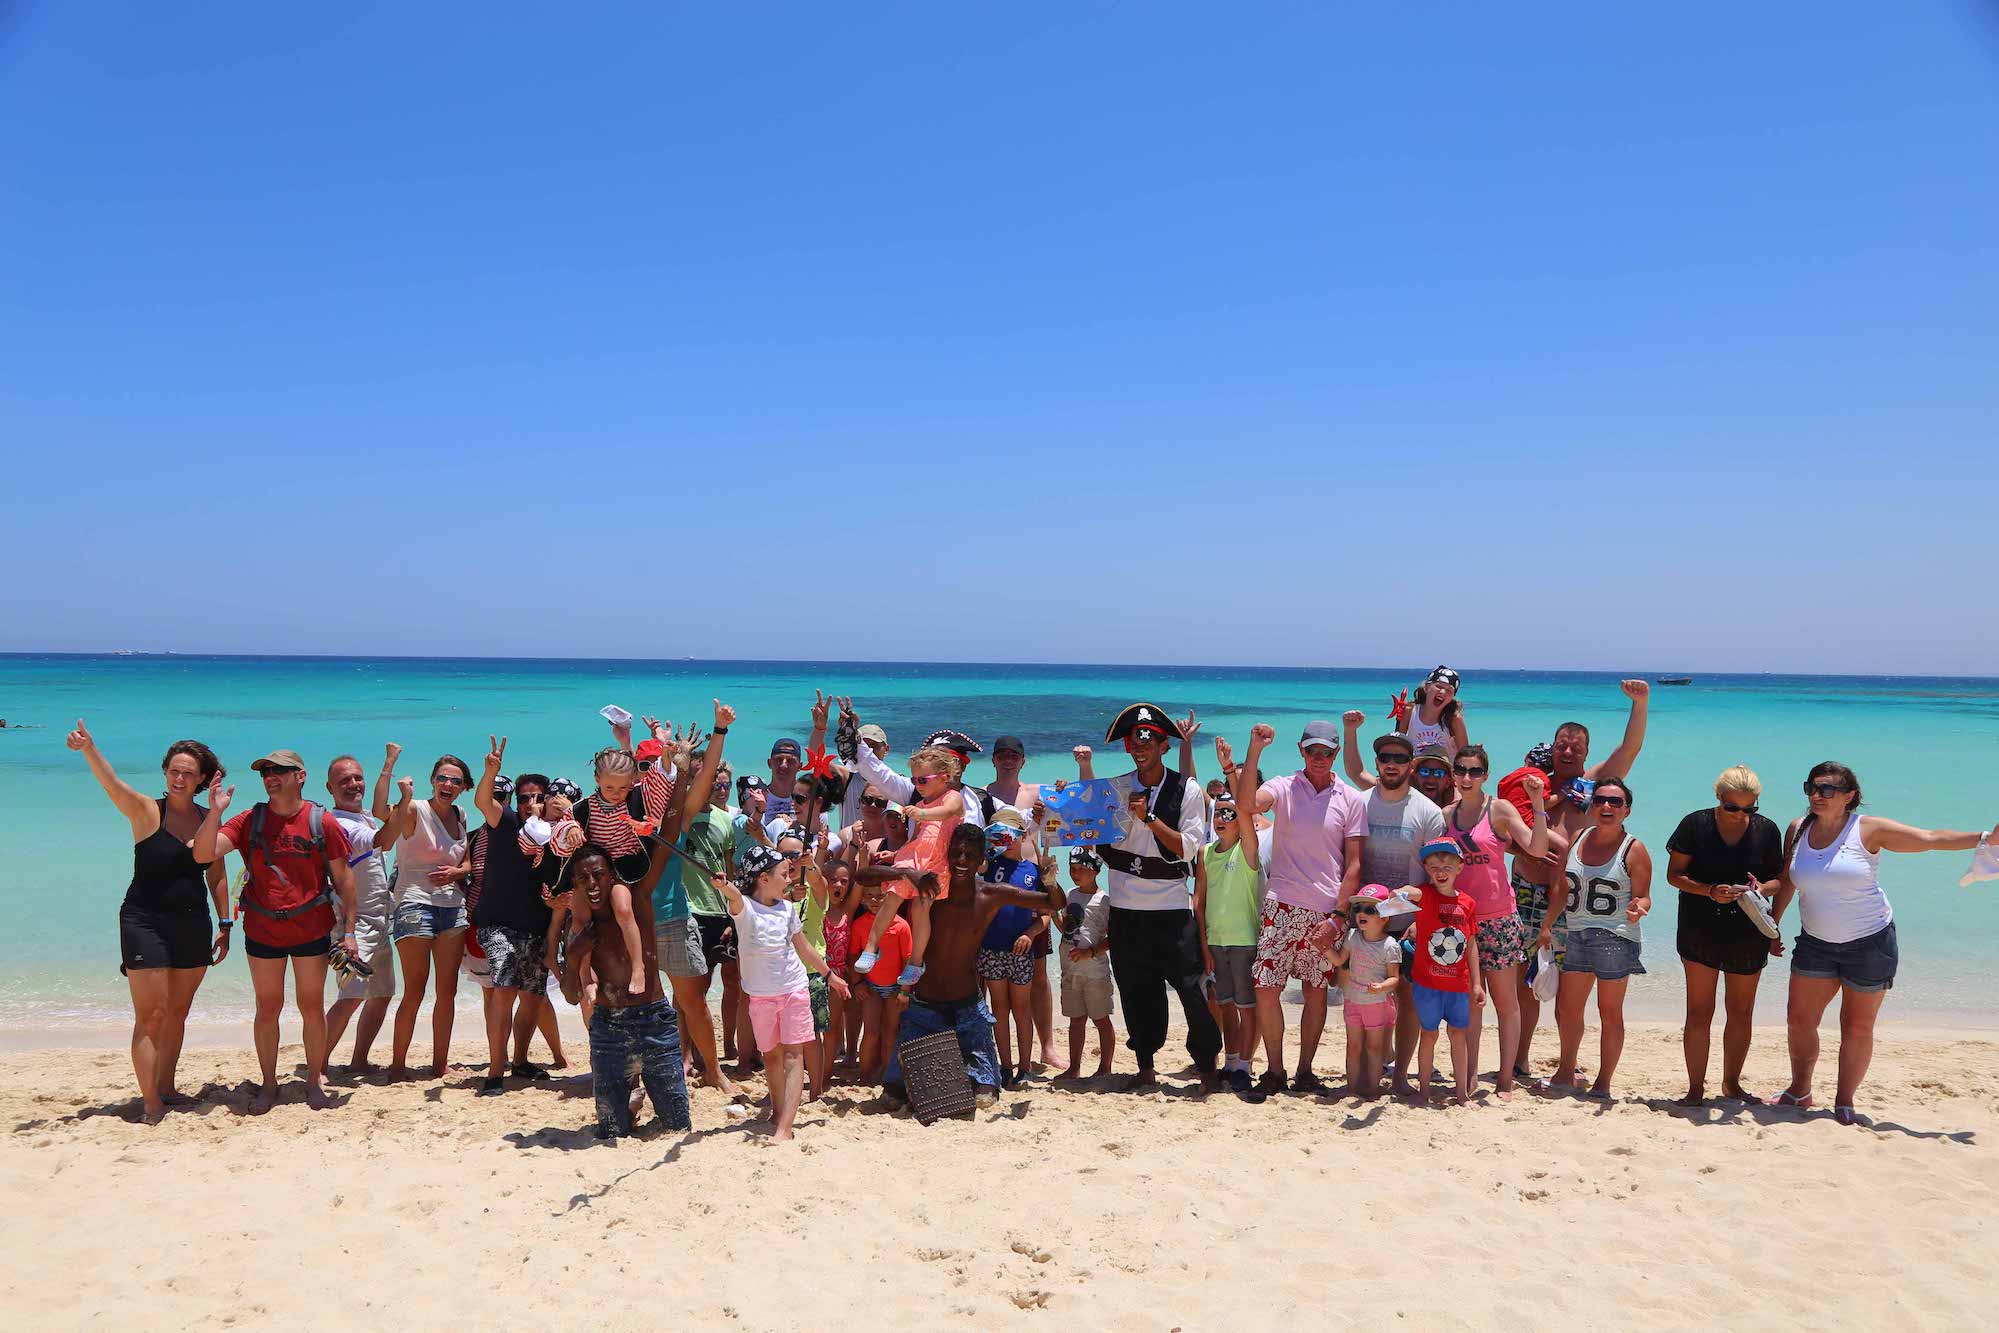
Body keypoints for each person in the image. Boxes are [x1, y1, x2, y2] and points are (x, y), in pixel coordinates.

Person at [1769, 763, 1998, 1125]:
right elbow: (1787, 879)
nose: (1816, 795)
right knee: (1799, 1020)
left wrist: (1985, 837)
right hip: (1815, 943)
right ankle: (1800, 1090)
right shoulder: (1798, 829)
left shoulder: (1868, 830)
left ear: (1849, 796)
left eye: (1826, 790)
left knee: (1856, 1026)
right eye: (1811, 788)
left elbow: (1930, 838)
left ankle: (1844, 1101)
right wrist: (1773, 925)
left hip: (1870, 943)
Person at [67, 723, 230, 1123]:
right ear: (165, 772)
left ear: (202, 779)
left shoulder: (210, 818)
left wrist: (225, 922)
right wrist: (89, 749)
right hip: (144, 921)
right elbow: (113, 784)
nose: (179, 779)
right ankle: (151, 1102)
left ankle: (167, 1087)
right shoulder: (146, 811)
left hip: (193, 923)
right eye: (174, 771)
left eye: (188, 773)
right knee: (152, 1015)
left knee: (178, 1012)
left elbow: (217, 874)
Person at [195, 749, 360, 1114]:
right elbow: (203, 854)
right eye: (265, 771)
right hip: (262, 928)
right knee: (267, 1008)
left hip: (311, 928)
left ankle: (313, 1080)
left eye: (280, 770)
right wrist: (215, 813)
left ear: (300, 776)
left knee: (311, 1007)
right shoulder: (249, 820)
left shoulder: (321, 821)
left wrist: (349, 932)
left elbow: (345, 880)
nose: (271, 776)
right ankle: (269, 1084)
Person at [1073, 702, 1222, 1091]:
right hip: (1126, 911)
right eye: (1133, 743)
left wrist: (1149, 819)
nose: (1140, 748)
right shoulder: (1117, 788)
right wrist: (1058, 808)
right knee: (1137, 991)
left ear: (1163, 746)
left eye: (1148, 741)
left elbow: (1187, 848)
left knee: (1192, 990)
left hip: (1171, 909)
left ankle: (1207, 1065)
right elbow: (1087, 830)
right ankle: (1145, 1067)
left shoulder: (1187, 789)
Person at [1511, 680, 1650, 1077]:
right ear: (1552, 749)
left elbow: (1630, 748)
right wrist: (1522, 850)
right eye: (1562, 746)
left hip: (1573, 902)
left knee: (1569, 990)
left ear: (1586, 752)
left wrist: (1640, 704)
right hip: (1525, 894)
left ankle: (1566, 1064)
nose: (1568, 752)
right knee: (1524, 984)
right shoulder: (1532, 786)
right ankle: (1519, 1060)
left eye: (1576, 747)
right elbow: (1500, 832)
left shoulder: (1594, 786)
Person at [881, 824, 1066, 1112]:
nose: (961, 860)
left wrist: (1050, 880)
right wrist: (906, 872)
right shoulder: (930, 889)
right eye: (956, 853)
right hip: (925, 1003)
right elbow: (863, 876)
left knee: (985, 1094)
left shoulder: (990, 894)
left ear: (982, 860)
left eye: (970, 855)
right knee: (894, 1093)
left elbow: (1054, 903)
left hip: (967, 1005)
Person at [1236, 720, 1367, 1096]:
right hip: (1280, 905)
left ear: (1336, 753)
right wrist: (1255, 749)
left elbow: (1354, 864)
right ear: (1301, 750)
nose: (1319, 757)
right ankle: (1275, 1070)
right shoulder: (1283, 785)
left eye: (1326, 751)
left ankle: (1305, 1070)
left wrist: (1338, 917)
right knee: (1266, 988)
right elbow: (1247, 805)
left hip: (1324, 911)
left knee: (1315, 991)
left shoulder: (1351, 799)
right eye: (1312, 750)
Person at [1337, 721, 1447, 1098]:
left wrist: (1423, 917)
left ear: (1411, 765)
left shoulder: (1428, 812)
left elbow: (1438, 874)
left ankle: (1400, 1073)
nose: (1391, 764)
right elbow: (1346, 858)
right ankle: (1370, 1069)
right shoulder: (1359, 803)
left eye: (1400, 758)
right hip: (1365, 921)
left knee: (1407, 1000)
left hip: (1407, 923)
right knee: (1364, 995)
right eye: (1385, 757)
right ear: (1378, 762)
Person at [712, 845, 849, 1142]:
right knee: (771, 1057)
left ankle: (785, 1128)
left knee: (792, 1056)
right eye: (784, 875)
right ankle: (777, 1113)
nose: (789, 880)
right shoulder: (745, 908)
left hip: (793, 989)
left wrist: (831, 976)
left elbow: (804, 947)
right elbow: (734, 895)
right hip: (760, 996)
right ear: (764, 879)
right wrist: (724, 886)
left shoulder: (787, 909)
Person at [1665, 765, 1785, 1104]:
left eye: (1749, 808)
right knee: (1699, 1012)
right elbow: (1674, 875)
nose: (1741, 814)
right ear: (1719, 797)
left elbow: (1779, 880)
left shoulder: (1766, 830)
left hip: (1748, 930)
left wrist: (1762, 889)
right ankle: (1695, 1090)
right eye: (1732, 807)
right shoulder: (1695, 824)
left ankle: (1732, 1085)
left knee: (1741, 1012)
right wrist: (1709, 890)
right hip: (1699, 926)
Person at [1438, 744, 1548, 1100]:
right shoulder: (1446, 815)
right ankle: (1469, 1076)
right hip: (1460, 923)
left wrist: (1537, 803)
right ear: (1453, 774)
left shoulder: (1499, 809)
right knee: (1471, 1004)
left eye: (1474, 771)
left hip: (1499, 920)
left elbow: (1535, 848)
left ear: (1485, 775)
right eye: (1461, 770)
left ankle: (1504, 1078)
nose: (1466, 777)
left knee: (1506, 1003)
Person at [646, 708, 743, 1097]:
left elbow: (704, 778)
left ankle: (714, 1071)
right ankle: (651, 1069)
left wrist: (719, 730)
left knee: (693, 1000)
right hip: (634, 921)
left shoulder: (676, 819)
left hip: (673, 916)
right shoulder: (621, 812)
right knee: (636, 1001)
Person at [1545, 777, 1651, 1099]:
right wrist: (1547, 925)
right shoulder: (1578, 838)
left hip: (1615, 936)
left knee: (1609, 1012)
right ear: (1592, 806)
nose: (1607, 806)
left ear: (1626, 810)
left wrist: (1639, 909)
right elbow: (1563, 887)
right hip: (1577, 932)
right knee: (1568, 1009)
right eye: (1601, 800)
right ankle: (1566, 1071)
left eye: (1615, 802)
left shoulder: (1634, 849)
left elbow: (1644, 896)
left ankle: (1603, 1082)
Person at [376, 748, 474, 1079]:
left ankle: (439, 1064)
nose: (448, 784)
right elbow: (379, 812)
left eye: (455, 781)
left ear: (464, 787)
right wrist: (391, 770)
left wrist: (458, 873)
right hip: (414, 903)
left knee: (448, 992)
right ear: (432, 781)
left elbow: (467, 862)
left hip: (453, 908)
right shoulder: (415, 809)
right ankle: (398, 1066)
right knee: (415, 990)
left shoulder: (461, 814)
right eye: (442, 778)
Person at [852, 745, 966, 985]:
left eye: (922, 780)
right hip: (914, 857)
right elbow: (916, 839)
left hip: (936, 862)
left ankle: (915, 962)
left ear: (944, 777)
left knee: (920, 908)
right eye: (914, 780)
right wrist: (897, 855)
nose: (917, 785)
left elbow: (946, 813)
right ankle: (871, 947)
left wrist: (921, 814)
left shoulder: (952, 797)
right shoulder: (921, 805)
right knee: (891, 898)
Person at [1200, 737, 1271, 1098]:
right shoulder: (1206, 853)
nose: (1224, 818)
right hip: (1217, 942)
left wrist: (1230, 770)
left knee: (1247, 1007)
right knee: (1225, 1005)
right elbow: (1200, 904)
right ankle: (1230, 1062)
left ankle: (1244, 1064)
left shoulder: (1248, 851)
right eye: (1219, 813)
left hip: (1244, 941)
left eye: (1230, 815)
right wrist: (1204, 946)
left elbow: (1244, 811)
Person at [320, 754, 396, 1072]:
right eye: (344, 781)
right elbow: (383, 840)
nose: (353, 785)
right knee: (351, 996)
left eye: (357, 778)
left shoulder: (364, 816)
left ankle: (359, 1061)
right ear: (330, 788)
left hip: (378, 922)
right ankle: (317, 1067)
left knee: (381, 994)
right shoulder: (340, 825)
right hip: (352, 926)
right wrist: (403, 798)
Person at [1402, 838, 1482, 1105]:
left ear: (1459, 867)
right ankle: (1424, 1090)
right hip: (1427, 984)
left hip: (1458, 986)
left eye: (1447, 866)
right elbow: (1410, 892)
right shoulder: (1425, 895)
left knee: (1458, 1035)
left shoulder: (1468, 903)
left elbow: (1471, 944)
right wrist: (1399, 893)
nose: (1441, 871)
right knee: (1429, 1034)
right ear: (1426, 869)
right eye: (1434, 866)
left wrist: (1477, 984)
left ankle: (1461, 1094)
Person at [974, 809, 1051, 1086]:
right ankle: (1005, 1066)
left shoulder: (1032, 871)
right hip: (991, 948)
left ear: (1023, 835)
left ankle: (1025, 1066)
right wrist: (986, 847)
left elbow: (1046, 915)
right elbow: (975, 867)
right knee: (999, 1009)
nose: (1004, 840)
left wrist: (1031, 933)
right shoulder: (988, 865)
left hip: (1021, 950)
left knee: (1021, 1009)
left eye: (1009, 835)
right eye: (998, 835)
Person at [1322, 884, 1401, 1098]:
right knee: (1353, 1047)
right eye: (1358, 909)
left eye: (1370, 910)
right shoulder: (1353, 936)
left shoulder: (1390, 945)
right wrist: (1324, 947)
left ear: (1385, 917)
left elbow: (1394, 978)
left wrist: (1382, 986)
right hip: (1352, 1000)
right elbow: (1339, 960)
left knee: (1374, 1049)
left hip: (1376, 1003)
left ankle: (1373, 1089)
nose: (1361, 914)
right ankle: (1352, 1089)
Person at [1055, 849, 1115, 1079]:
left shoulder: (1104, 900)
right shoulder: (1070, 895)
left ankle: (1105, 1067)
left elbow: (1113, 937)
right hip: (1070, 970)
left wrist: (1090, 952)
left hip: (1095, 972)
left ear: (1095, 871)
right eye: (1072, 869)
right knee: (1076, 1020)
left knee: (1101, 1019)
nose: (1075, 874)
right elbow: (1066, 929)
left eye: (1081, 869)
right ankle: (1074, 1067)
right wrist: (1053, 915)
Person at [850, 878, 911, 1083]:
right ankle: (865, 1075)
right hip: (871, 987)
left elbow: (908, 960)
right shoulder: (859, 925)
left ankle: (887, 1075)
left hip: (895, 987)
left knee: (890, 1033)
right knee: (871, 1033)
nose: (875, 900)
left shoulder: (901, 926)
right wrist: (858, 983)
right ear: (862, 899)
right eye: (869, 895)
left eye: (880, 895)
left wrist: (904, 991)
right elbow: (853, 955)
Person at [1406, 666, 1469, 756]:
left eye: (1449, 690)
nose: (1443, 692)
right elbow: (1399, 743)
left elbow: (1464, 754)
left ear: (1452, 698)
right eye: (1439, 686)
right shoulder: (1410, 711)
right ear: (1426, 688)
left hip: (1446, 765)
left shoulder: (1454, 719)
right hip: (1417, 764)